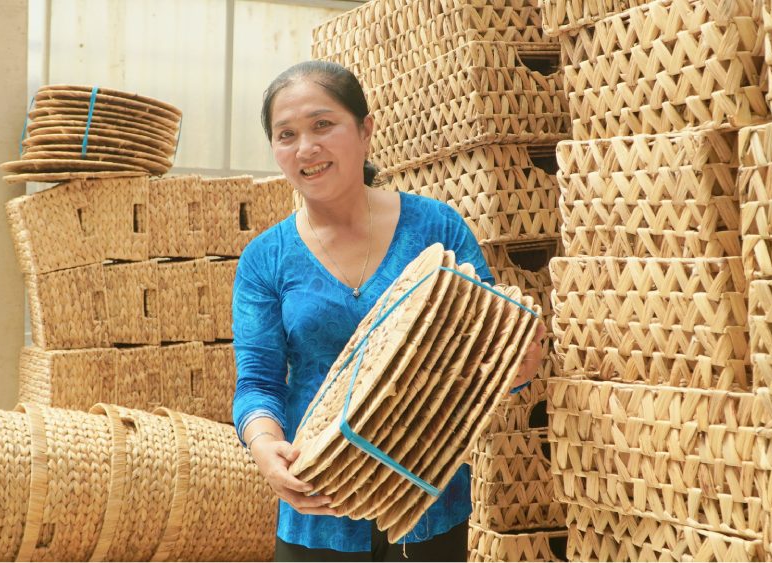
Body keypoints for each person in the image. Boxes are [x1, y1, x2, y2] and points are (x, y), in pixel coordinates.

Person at [232, 60, 546, 562]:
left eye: (322, 124)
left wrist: (516, 370)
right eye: (286, 134)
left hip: (428, 506)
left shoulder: (434, 228)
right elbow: (258, 383)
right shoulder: (266, 259)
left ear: (365, 131)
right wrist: (267, 447)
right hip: (318, 509)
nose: (306, 148)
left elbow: (491, 342)